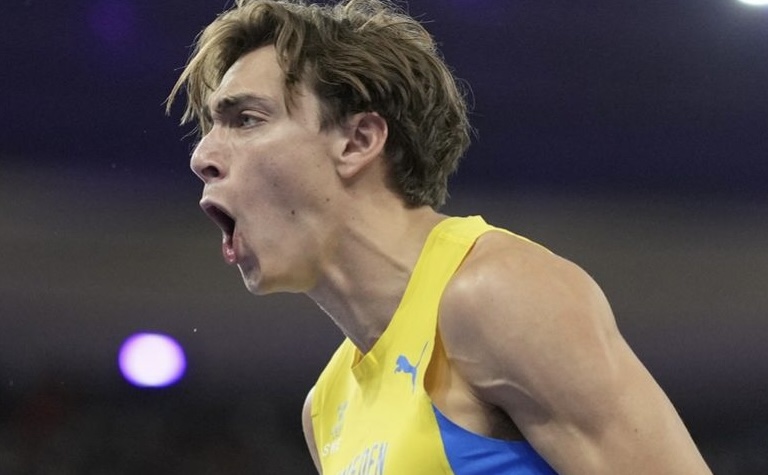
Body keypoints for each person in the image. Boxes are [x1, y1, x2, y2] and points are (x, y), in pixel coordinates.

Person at [167, 1, 713, 473]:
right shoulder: (325, 409)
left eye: (246, 119)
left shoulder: (496, 293)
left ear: (357, 141)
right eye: (212, 128)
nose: (201, 157)